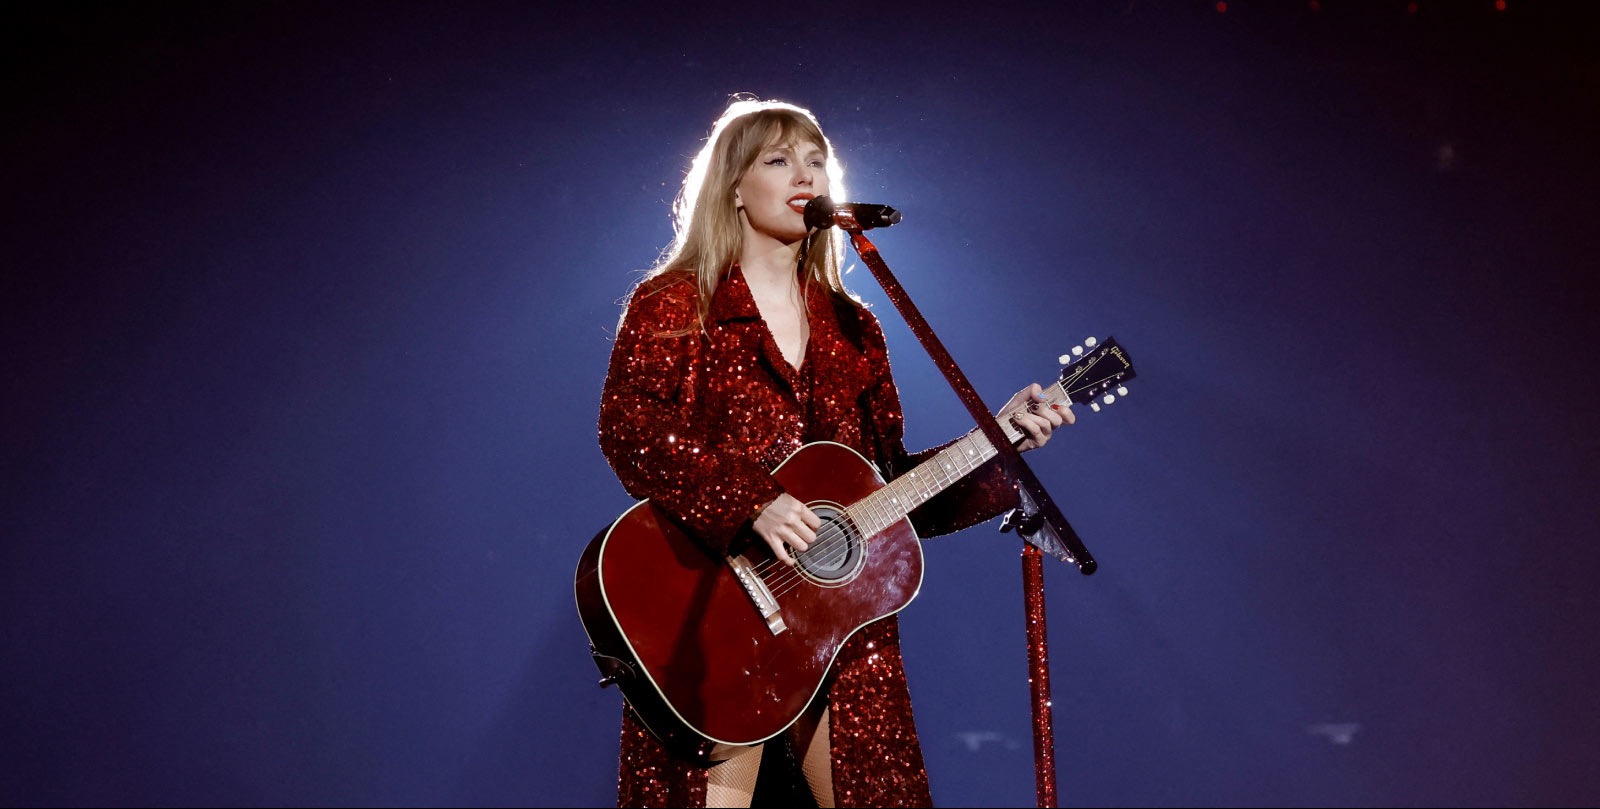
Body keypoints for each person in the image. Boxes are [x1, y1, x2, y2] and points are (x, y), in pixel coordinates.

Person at [595, 96, 1072, 808]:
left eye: (817, 161)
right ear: (733, 186)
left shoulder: (855, 328)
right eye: (779, 160)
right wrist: (752, 500)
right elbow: (629, 429)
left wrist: (996, 450)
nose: (805, 175)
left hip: (838, 629)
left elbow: (890, 491)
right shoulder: (675, 304)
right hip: (713, 609)